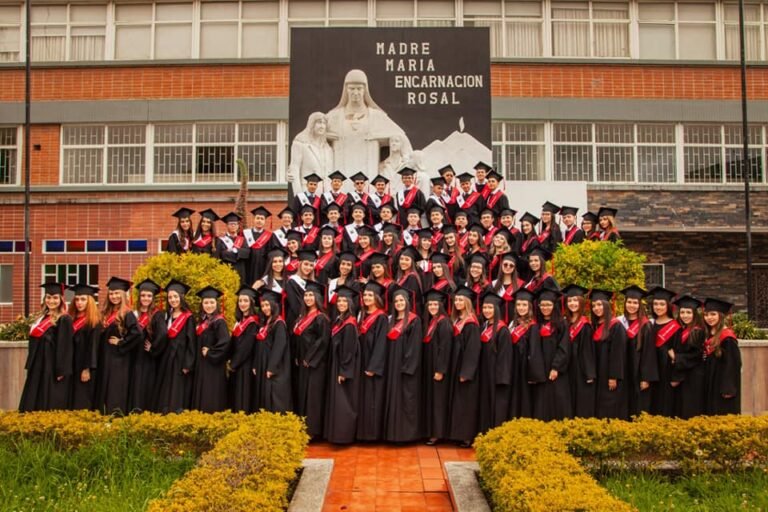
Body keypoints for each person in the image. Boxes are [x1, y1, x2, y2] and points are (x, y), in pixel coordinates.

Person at [326, 69, 405, 182]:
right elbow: (312, 135)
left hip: (369, 178)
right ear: (346, 90)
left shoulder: (376, 116)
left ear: (365, 90)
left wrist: (392, 163)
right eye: (352, 88)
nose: (355, 92)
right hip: (340, 182)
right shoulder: (334, 117)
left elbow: (400, 137)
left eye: (359, 88)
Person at [19, 282, 73, 412]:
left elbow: (65, 346)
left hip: (51, 365)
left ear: (61, 299)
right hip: (38, 363)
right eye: (48, 297)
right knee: (34, 395)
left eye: (55, 297)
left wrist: (61, 370)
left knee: (47, 396)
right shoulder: (42, 317)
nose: (51, 301)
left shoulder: (64, 319)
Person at [94, 277, 141, 415]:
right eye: (111, 293)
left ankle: (115, 417)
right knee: (104, 387)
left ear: (123, 295)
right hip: (105, 358)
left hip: (118, 360)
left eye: (117, 293)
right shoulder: (106, 313)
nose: (114, 296)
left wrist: (121, 342)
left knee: (115, 388)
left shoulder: (127, 313)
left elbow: (137, 334)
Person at [383, 287, 423, 442]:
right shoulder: (390, 320)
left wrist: (407, 367)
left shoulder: (414, 320)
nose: (399, 303)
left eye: (401, 300)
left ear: (407, 302)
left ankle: (406, 435)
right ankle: (392, 434)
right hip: (391, 366)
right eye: (396, 301)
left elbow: (414, 346)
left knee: (406, 400)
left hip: (405, 368)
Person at [293, 281, 331, 440]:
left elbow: (322, 341)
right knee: (303, 394)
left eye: (311, 295)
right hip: (302, 363)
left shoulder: (321, 318)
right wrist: (297, 356)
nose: (308, 298)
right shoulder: (302, 317)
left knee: (313, 396)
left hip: (315, 364)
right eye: (306, 295)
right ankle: (303, 428)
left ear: (317, 298)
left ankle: (313, 431)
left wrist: (309, 358)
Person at [528, 287, 572, 421]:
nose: (545, 307)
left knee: (558, 398)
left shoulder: (561, 324)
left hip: (555, 371)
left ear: (554, 305)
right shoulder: (537, 325)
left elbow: (564, 346)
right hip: (540, 371)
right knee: (541, 400)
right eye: (542, 305)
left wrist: (556, 367)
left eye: (548, 304)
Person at [325, 286, 361, 444]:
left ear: (350, 304)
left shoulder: (350, 324)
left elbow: (349, 350)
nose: (340, 303)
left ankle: (343, 436)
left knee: (343, 402)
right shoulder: (340, 320)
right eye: (339, 301)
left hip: (343, 368)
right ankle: (335, 435)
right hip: (336, 365)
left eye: (344, 301)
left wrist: (344, 371)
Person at [154, 279, 195, 414]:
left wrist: (188, 364)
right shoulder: (167, 316)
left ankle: (176, 412)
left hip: (180, 357)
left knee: (177, 386)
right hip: (167, 356)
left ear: (181, 297)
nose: (172, 299)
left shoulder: (188, 317)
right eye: (170, 297)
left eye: (175, 296)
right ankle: (164, 411)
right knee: (166, 385)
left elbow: (191, 341)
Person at [448, 286, 482, 447]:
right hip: (456, 367)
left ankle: (467, 437)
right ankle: (458, 434)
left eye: (461, 300)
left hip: (465, 370)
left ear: (468, 302)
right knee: (458, 402)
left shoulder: (471, 323)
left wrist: (466, 372)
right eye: (456, 300)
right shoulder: (457, 319)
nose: (458, 302)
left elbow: (473, 350)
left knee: (466, 402)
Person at [357, 281, 389, 441]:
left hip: (372, 366)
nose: (367, 298)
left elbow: (381, 344)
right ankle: (363, 433)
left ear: (377, 297)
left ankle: (372, 434)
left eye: (370, 295)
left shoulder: (381, 317)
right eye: (365, 295)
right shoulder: (362, 314)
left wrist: (373, 366)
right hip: (361, 362)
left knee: (373, 400)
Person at [191, 286, 231, 413]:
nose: (209, 305)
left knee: (210, 392)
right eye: (206, 302)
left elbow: (225, 343)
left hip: (213, 366)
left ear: (217, 303)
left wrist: (210, 352)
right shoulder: (202, 321)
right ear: (202, 304)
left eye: (212, 302)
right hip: (202, 364)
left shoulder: (219, 322)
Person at [618, 285, 656, 417]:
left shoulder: (646, 325)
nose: (632, 305)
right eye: (629, 302)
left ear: (640, 305)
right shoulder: (619, 322)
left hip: (638, 372)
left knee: (638, 404)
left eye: (635, 303)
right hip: (624, 371)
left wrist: (645, 378)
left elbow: (649, 354)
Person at [129, 279, 167, 412]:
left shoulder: (157, 315)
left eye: (149, 296)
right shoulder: (134, 313)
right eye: (143, 295)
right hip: (134, 355)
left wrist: (153, 348)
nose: (146, 298)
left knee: (145, 383)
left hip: (147, 357)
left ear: (153, 298)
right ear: (139, 296)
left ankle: (144, 411)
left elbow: (162, 334)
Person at [590, 289, 628, 419]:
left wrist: (614, 376)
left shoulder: (616, 326)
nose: (596, 308)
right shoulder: (595, 325)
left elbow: (618, 353)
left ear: (607, 305)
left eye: (600, 304)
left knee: (609, 404)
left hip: (609, 376)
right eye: (594, 305)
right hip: (598, 374)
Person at [478, 292, 513, 431]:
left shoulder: (502, 330)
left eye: (490, 308)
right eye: (485, 307)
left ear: (497, 309)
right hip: (484, 371)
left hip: (496, 375)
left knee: (496, 405)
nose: (486, 310)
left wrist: (501, 378)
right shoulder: (484, 326)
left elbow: (505, 356)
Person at [423, 288, 453, 445]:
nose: (432, 306)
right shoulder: (433, 321)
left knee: (438, 401)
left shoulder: (444, 323)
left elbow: (445, 348)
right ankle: (432, 431)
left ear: (441, 305)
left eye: (435, 304)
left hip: (438, 369)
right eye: (430, 304)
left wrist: (440, 370)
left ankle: (437, 434)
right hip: (431, 366)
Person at [701, 297, 741, 415]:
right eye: (706, 315)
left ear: (721, 316)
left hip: (721, 387)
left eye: (713, 314)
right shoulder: (708, 334)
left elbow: (733, 365)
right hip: (710, 383)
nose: (709, 318)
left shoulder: (727, 338)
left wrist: (728, 388)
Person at [254, 289, 292, 413]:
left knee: (274, 396)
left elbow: (279, 347)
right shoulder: (266, 323)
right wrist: (256, 364)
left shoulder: (279, 323)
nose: (265, 308)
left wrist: (272, 368)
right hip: (263, 363)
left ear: (274, 305)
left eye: (267, 305)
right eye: (263, 306)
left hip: (274, 367)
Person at [669, 295, 706, 419]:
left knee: (690, 408)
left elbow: (696, 356)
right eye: (683, 312)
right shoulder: (681, 329)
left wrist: (676, 357)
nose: (685, 315)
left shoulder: (697, 331)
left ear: (694, 314)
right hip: (684, 375)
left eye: (688, 312)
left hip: (694, 377)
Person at [562, 284, 596, 418]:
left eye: (575, 300)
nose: (572, 303)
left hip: (580, 369)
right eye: (570, 301)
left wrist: (589, 373)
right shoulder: (566, 322)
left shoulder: (585, 325)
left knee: (581, 401)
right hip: (567, 367)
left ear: (581, 302)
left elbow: (587, 351)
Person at [647, 286, 681, 417]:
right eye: (655, 304)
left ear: (668, 306)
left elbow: (677, 354)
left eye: (662, 304)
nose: (658, 307)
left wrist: (676, 376)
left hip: (666, 373)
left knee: (665, 406)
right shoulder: (650, 324)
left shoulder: (675, 327)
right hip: (651, 372)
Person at [68, 283, 101, 411]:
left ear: (90, 301)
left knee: (82, 397)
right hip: (72, 364)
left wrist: (87, 368)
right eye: (77, 299)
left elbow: (93, 347)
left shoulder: (93, 322)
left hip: (84, 366)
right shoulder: (71, 319)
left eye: (83, 299)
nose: (79, 303)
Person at [229, 287, 260, 413]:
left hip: (245, 363)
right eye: (240, 301)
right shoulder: (240, 320)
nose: (242, 304)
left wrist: (233, 364)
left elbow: (247, 346)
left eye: (245, 301)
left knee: (244, 394)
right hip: (237, 363)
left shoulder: (253, 322)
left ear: (251, 302)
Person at [507, 289, 536, 419]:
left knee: (524, 395)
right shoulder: (513, 323)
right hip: (513, 364)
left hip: (525, 366)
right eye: (518, 305)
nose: (521, 308)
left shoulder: (533, 326)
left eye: (524, 305)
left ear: (529, 307)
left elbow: (534, 350)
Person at [287, 112, 334, 193]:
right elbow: (294, 168)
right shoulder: (300, 143)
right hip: (307, 192)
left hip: (326, 194)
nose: (322, 126)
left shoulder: (327, 148)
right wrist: (299, 195)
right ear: (312, 124)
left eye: (324, 123)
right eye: (319, 122)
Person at [216, 211, 251, 287]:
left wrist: (234, 250)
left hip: (240, 271)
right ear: (227, 225)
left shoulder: (243, 239)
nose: (233, 226)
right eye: (230, 224)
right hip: (227, 269)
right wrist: (239, 254)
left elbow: (247, 253)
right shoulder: (221, 239)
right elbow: (222, 254)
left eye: (235, 224)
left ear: (238, 226)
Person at [246, 206, 277, 284]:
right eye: (257, 218)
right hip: (248, 264)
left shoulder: (270, 236)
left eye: (262, 219)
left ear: (265, 221)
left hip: (262, 266)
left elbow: (271, 253)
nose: (259, 221)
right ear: (254, 219)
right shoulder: (246, 233)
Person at [491, 253, 523, 324]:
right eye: (505, 264)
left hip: (515, 320)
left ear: (514, 268)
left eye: (511, 265)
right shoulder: (494, 284)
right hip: (498, 319)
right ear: (501, 266)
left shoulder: (520, 285)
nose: (508, 267)